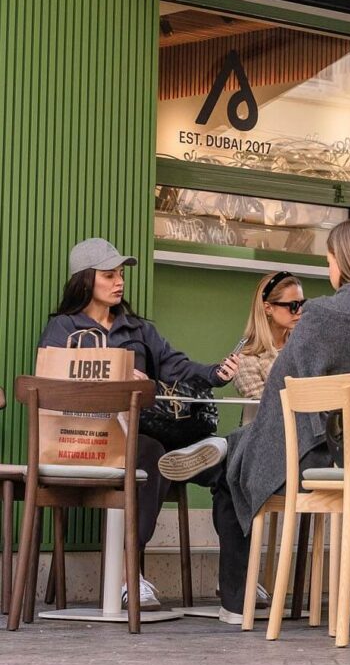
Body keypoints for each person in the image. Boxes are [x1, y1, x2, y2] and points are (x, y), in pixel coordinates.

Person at [158, 218, 350, 623]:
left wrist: (253, 441)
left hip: (327, 460)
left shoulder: (321, 316)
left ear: (341, 263)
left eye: (329, 259)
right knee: (243, 458)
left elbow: (280, 395)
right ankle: (229, 448)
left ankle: (236, 601)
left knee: (235, 472)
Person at [39, 237, 239, 612]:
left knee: (210, 460)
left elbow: (178, 366)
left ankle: (235, 585)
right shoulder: (62, 329)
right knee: (148, 452)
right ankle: (128, 577)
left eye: (121, 274)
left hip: (142, 434)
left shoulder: (138, 329)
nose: (119, 281)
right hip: (85, 439)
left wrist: (215, 373)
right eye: (109, 274)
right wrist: (114, 376)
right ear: (85, 279)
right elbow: (51, 387)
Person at [233, 271, 305, 399]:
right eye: (293, 305)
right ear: (268, 308)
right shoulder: (245, 360)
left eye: (302, 304)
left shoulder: (306, 347)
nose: (299, 311)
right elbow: (266, 407)